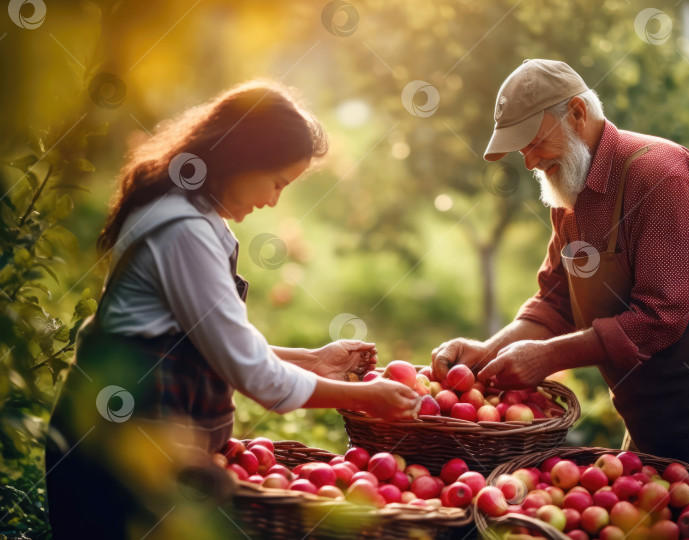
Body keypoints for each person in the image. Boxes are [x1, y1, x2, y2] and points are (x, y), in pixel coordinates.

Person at [46, 80, 418, 539]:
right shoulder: (184, 232)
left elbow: (208, 345)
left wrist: (314, 360)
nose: (273, 200)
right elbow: (255, 375)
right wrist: (366, 399)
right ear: (243, 158)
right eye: (277, 182)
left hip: (143, 457)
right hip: (115, 465)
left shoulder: (192, 216)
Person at [432, 59, 689, 511]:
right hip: (644, 388)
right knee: (646, 514)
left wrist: (550, 356)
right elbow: (555, 300)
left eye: (534, 142)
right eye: (521, 150)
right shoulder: (568, 188)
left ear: (578, 113)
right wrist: (488, 352)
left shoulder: (660, 176)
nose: (530, 161)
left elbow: (660, 319)